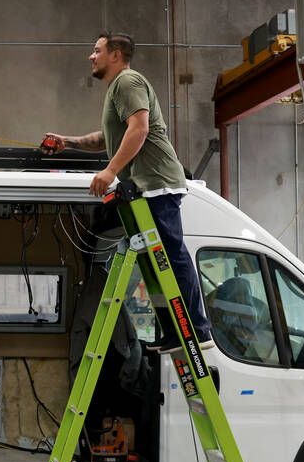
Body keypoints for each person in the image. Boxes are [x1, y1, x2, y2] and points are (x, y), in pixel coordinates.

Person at [41, 31, 212, 352]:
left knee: (172, 257)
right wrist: (69, 142)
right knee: (157, 261)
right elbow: (109, 138)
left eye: (97, 51)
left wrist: (109, 172)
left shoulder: (127, 82)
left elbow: (140, 128)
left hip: (157, 182)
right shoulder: (117, 90)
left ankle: (196, 330)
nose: (91, 57)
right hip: (145, 186)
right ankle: (175, 330)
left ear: (115, 54)